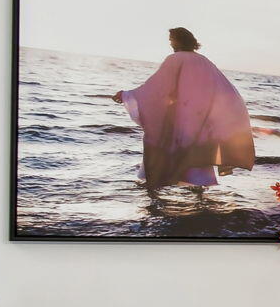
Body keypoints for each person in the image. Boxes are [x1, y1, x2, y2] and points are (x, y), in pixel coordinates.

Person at [109, 27, 257, 190]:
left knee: (162, 144)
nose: (171, 43)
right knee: (197, 149)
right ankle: (199, 191)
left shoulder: (175, 59)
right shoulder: (204, 61)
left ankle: (154, 191)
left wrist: (126, 95)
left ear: (179, 40)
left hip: (179, 116)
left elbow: (157, 88)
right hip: (200, 117)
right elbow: (221, 88)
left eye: (172, 39)